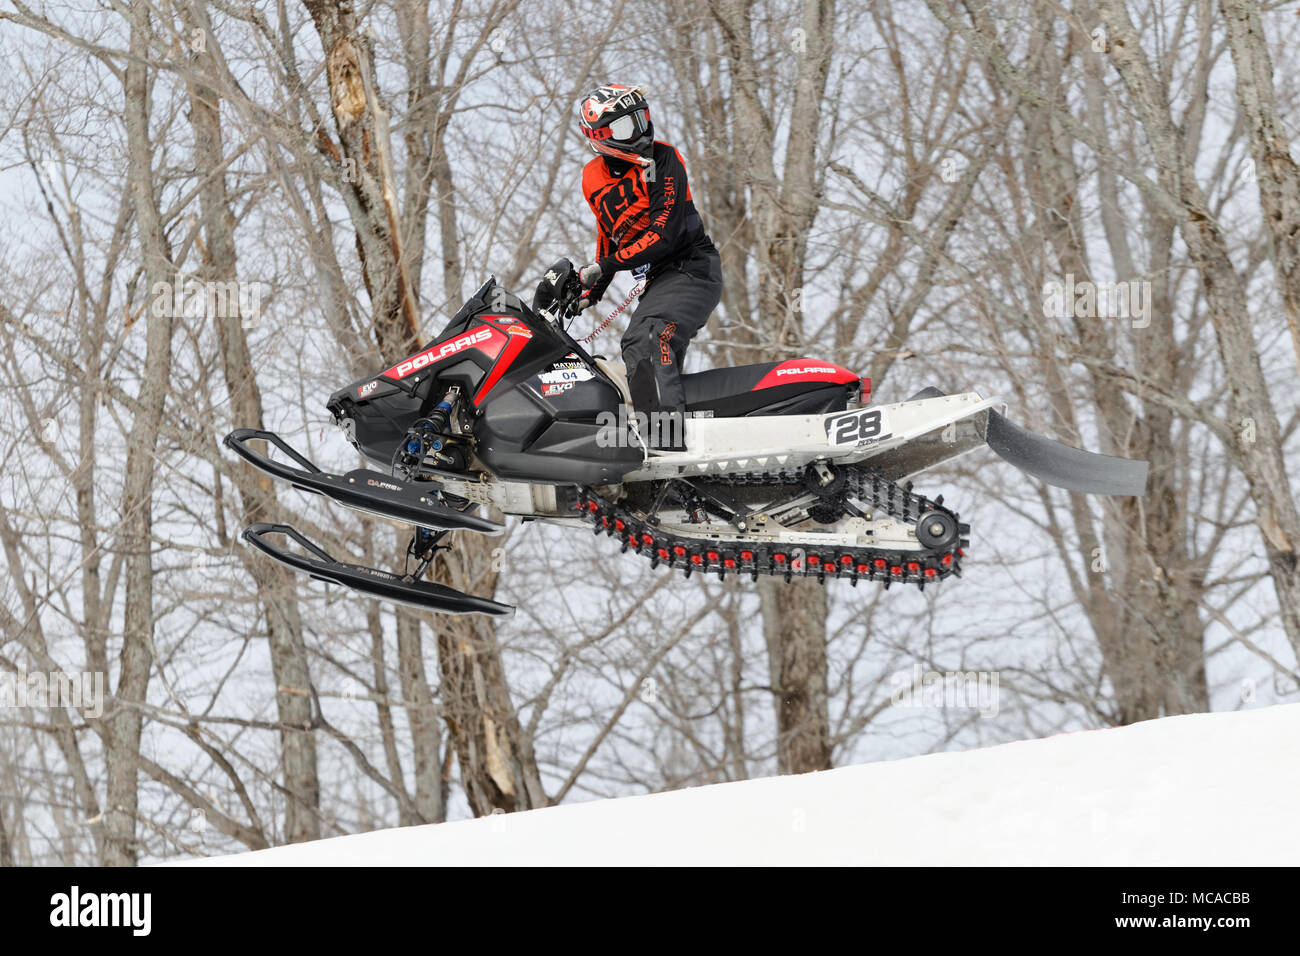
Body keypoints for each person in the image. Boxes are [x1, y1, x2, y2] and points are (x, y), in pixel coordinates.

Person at [574, 84, 722, 451]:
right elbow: (608, 232)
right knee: (638, 349)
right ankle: (687, 436)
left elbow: (664, 235)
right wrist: (590, 290)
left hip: (691, 268)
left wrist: (608, 264)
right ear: (600, 136)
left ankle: (664, 448)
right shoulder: (592, 178)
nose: (640, 132)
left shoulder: (663, 160)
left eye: (642, 119)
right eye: (627, 127)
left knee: (647, 336)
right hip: (661, 280)